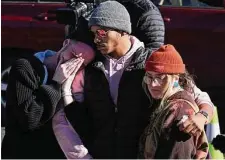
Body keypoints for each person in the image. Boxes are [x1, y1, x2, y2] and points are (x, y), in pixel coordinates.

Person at [64, 1, 214, 158]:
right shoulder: (91, 65)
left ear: (122, 30)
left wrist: (201, 117)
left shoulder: (151, 61)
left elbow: (198, 97)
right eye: (94, 34)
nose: (96, 39)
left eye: (102, 32)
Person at [1, 39, 95, 159]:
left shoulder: (78, 80)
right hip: (22, 151)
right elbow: (29, 118)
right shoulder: (25, 67)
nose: (73, 63)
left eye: (82, 63)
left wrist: (66, 91)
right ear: (66, 44)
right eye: (74, 56)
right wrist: (56, 83)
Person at [138, 44, 208, 159]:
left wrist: (203, 114)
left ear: (176, 78)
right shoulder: (165, 103)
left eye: (160, 77)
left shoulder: (179, 111)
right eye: (149, 77)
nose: (153, 84)